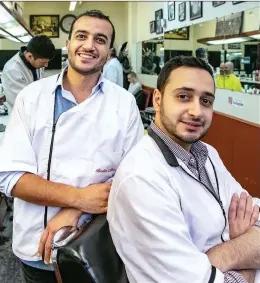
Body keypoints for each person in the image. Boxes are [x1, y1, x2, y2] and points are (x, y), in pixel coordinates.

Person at [0, 9, 144, 283]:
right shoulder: (31, 98)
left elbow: (135, 177)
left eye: (100, 40)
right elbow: (11, 178)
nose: (90, 45)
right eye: (82, 36)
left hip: (96, 246)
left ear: (109, 51)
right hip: (38, 248)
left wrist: (76, 209)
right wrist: (79, 197)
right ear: (68, 45)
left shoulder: (123, 104)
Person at [108, 56, 260, 283]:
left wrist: (223, 253)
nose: (197, 112)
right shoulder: (141, 179)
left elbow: (250, 208)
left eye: (206, 101)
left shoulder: (206, 154)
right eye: (183, 97)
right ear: (157, 100)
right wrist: (246, 261)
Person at [2, 35, 55, 107]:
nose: (46, 66)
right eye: (43, 63)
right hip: (22, 115)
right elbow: (22, 103)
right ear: (30, 56)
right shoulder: (12, 70)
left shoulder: (36, 61)